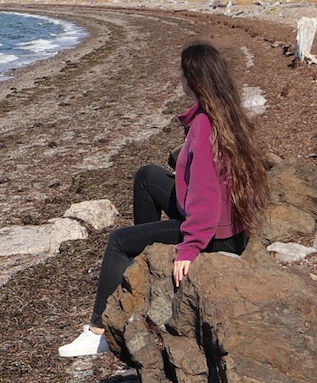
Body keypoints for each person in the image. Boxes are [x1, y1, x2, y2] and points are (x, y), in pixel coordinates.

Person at [58, 41, 266, 357]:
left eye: (181, 74)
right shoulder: (226, 112)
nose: (178, 79)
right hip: (226, 227)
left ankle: (98, 332)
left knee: (117, 241)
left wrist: (190, 246)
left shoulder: (204, 125)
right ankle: (147, 266)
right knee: (147, 176)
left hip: (212, 234)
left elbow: (206, 195)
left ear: (193, 80)